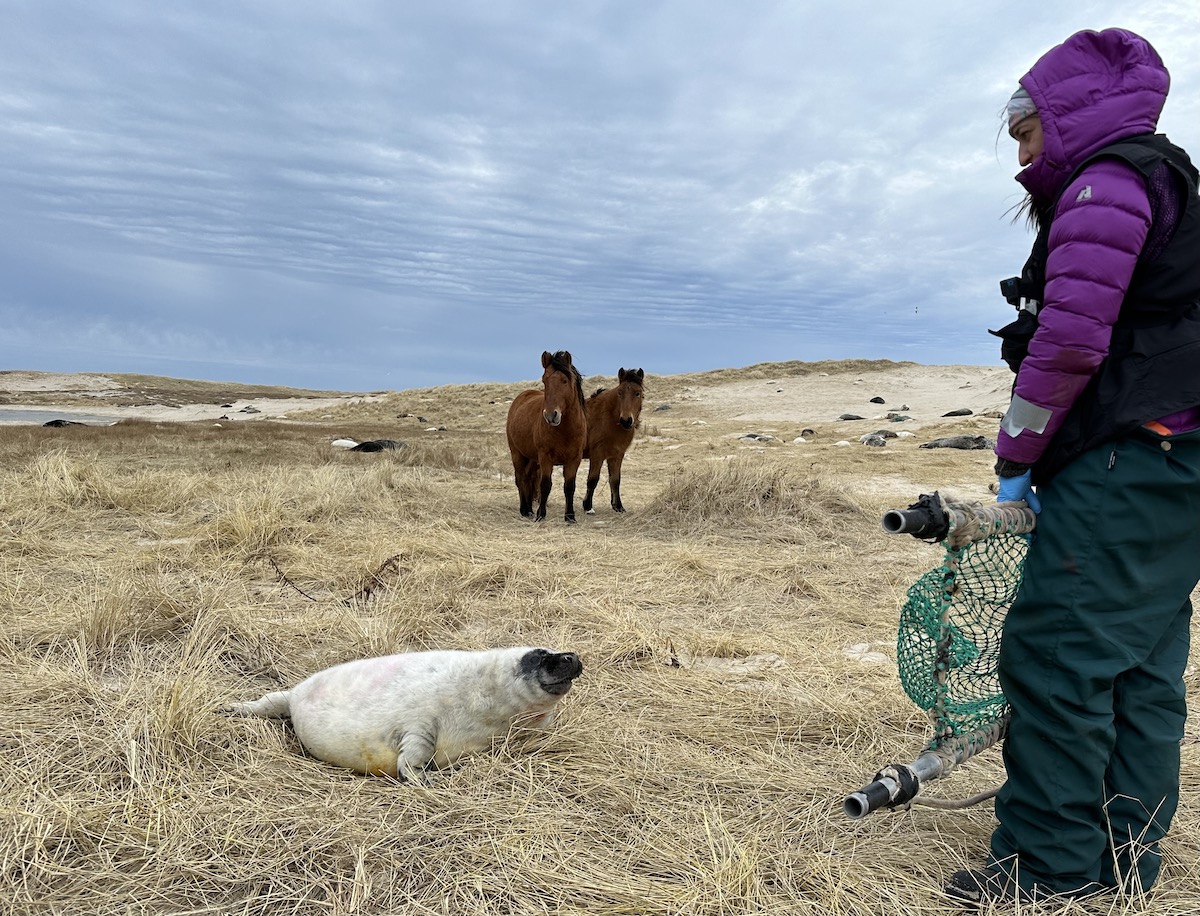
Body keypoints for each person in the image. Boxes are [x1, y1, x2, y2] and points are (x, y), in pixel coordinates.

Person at [945, 27, 1200, 907]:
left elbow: (1069, 341)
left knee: (1056, 656)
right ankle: (1125, 864)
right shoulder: (1168, 181)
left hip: (1127, 460)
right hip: (1179, 466)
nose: (1017, 152)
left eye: (1022, 131)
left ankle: (1046, 870)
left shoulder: (1104, 184)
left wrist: (1016, 456)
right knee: (1140, 665)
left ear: (1063, 114)